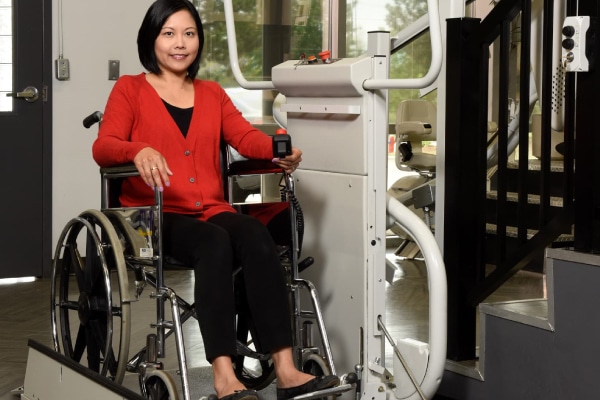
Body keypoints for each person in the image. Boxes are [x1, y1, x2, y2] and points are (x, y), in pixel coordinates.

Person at [92, 1, 339, 399]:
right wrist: (136, 150)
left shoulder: (211, 93)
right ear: (151, 38)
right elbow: (104, 147)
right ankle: (224, 376)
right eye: (168, 33)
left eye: (189, 34)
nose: (180, 43)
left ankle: (287, 369)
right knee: (214, 243)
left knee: (254, 235)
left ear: (199, 41)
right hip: (151, 217)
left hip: (209, 209)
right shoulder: (130, 89)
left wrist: (280, 149)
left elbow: (244, 138)